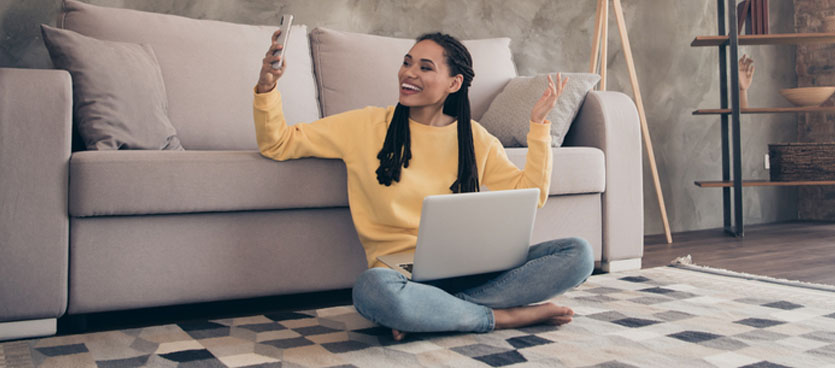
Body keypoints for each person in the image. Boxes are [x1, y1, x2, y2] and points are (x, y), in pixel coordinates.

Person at [253, 30, 593, 341]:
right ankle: (501, 317)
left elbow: (529, 195)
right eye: (406, 63)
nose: (408, 73)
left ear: (454, 83)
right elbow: (279, 142)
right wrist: (267, 88)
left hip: (470, 268)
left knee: (578, 253)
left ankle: (432, 313)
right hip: (402, 278)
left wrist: (539, 127)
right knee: (371, 289)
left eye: (425, 67)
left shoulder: (474, 138)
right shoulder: (366, 124)